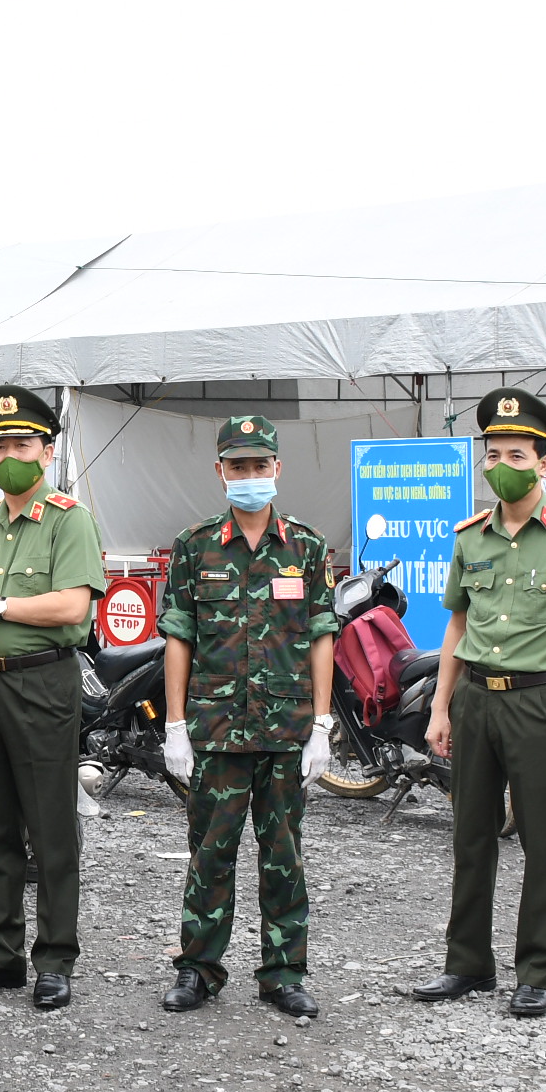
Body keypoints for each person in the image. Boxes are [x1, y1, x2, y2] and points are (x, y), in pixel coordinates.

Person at [413, 388, 546, 1020]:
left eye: (518, 455)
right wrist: (440, 708)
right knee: (470, 836)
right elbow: (456, 626)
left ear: (544, 462)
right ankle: (467, 964)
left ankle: (538, 971)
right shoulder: (471, 537)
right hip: (475, 699)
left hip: (539, 703)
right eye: (494, 454)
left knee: (541, 840)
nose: (503, 465)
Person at [154, 414, 337, 1019]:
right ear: (221, 471)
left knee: (284, 857)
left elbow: (321, 636)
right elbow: (178, 636)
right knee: (210, 854)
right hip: (216, 731)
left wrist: (322, 725)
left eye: (260, 464)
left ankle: (283, 974)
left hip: (286, 732)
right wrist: (175, 725)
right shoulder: (194, 546)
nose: (250, 474)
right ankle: (198, 970)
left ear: (277, 468)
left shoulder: (306, 547)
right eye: (239, 466)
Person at [0, 385, 107, 1012]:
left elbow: (73, 607)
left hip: (42, 685)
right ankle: (1, 953)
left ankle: (55, 959)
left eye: (21, 444)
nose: (9, 456)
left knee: (50, 826)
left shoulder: (69, 519)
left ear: (47, 450)